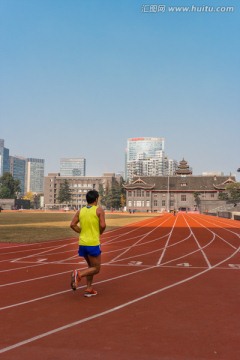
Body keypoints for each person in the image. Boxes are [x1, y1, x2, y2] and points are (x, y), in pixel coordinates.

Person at [70, 190, 106, 297]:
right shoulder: (99, 210)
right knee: (96, 268)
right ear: (96, 199)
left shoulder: (80, 211)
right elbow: (103, 225)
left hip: (82, 243)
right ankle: (78, 274)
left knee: (90, 266)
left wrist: (81, 231)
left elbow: (72, 224)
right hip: (93, 243)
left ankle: (89, 288)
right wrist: (100, 232)